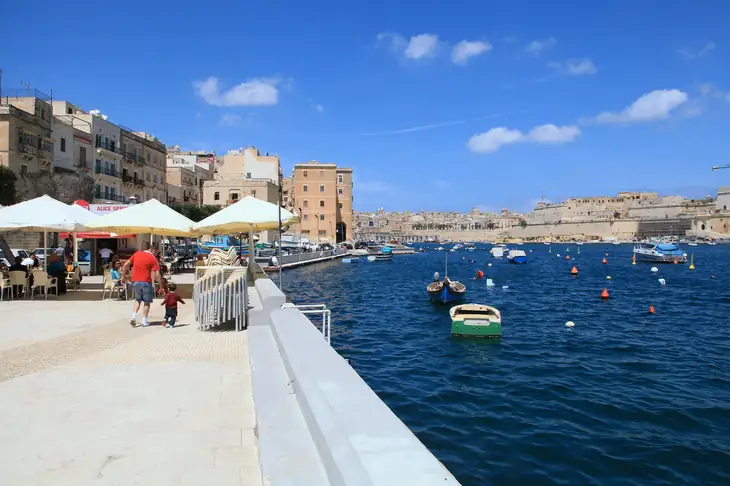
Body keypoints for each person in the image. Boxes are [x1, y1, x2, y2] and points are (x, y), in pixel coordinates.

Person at [121, 245, 162, 327]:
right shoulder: (153, 258)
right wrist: (161, 286)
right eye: (156, 252)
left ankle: (133, 316)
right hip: (146, 282)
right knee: (147, 302)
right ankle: (144, 321)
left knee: (137, 300)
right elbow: (157, 275)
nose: (156, 254)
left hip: (136, 282)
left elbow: (125, 265)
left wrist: (123, 276)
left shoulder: (136, 254)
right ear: (153, 250)